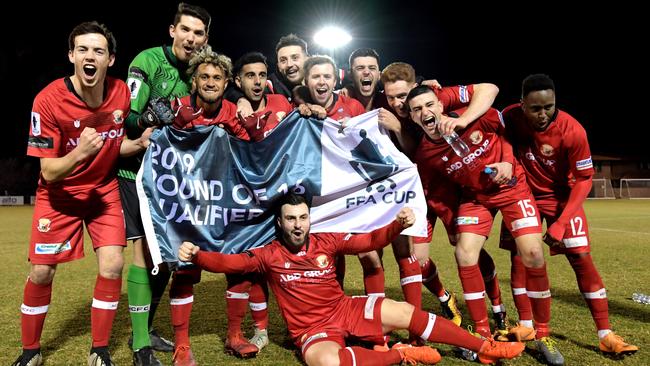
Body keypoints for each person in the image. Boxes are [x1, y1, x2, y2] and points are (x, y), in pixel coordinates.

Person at [178, 192, 526, 366]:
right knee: (328, 362)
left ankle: (485, 347)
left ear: (309, 218)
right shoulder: (268, 255)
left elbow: (369, 241)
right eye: (290, 219)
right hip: (312, 329)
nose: (298, 224)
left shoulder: (326, 240)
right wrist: (199, 257)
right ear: (280, 222)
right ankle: (399, 355)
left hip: (345, 309)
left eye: (303, 217)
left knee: (406, 312)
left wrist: (396, 226)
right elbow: (229, 263)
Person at [14, 21, 152, 366]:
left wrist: (136, 144)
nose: (90, 56)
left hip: (103, 193)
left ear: (111, 59)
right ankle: (30, 351)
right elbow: (48, 170)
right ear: (72, 55)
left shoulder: (121, 93)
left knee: (112, 265)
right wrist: (80, 153)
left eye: (99, 51)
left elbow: (112, 146)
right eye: (84, 49)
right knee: (42, 273)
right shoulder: (47, 100)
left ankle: (99, 349)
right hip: (59, 196)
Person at [406, 85, 564, 365]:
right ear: (412, 117)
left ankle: (542, 334)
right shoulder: (425, 155)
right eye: (417, 109)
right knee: (465, 253)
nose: (425, 112)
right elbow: (435, 195)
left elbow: (504, 130)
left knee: (533, 253)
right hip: (475, 199)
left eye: (429, 105)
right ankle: (482, 333)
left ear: (440, 105)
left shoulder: (473, 116)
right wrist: (449, 224)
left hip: (513, 187)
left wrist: (505, 161)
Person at [499, 74, 638, 354]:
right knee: (519, 257)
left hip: (562, 198)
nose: (543, 114)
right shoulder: (509, 117)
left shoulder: (572, 130)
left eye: (548, 107)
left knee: (581, 257)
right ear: (522, 104)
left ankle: (606, 333)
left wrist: (562, 222)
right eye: (535, 108)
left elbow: (585, 178)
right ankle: (526, 325)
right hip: (523, 195)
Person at [119, 3, 210, 365]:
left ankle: (145, 327)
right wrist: (147, 118)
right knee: (143, 254)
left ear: (206, 39)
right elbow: (125, 118)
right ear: (172, 30)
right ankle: (140, 344)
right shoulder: (148, 60)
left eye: (198, 33)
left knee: (167, 260)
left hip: (172, 180)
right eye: (185, 30)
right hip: (136, 173)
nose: (190, 38)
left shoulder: (199, 72)